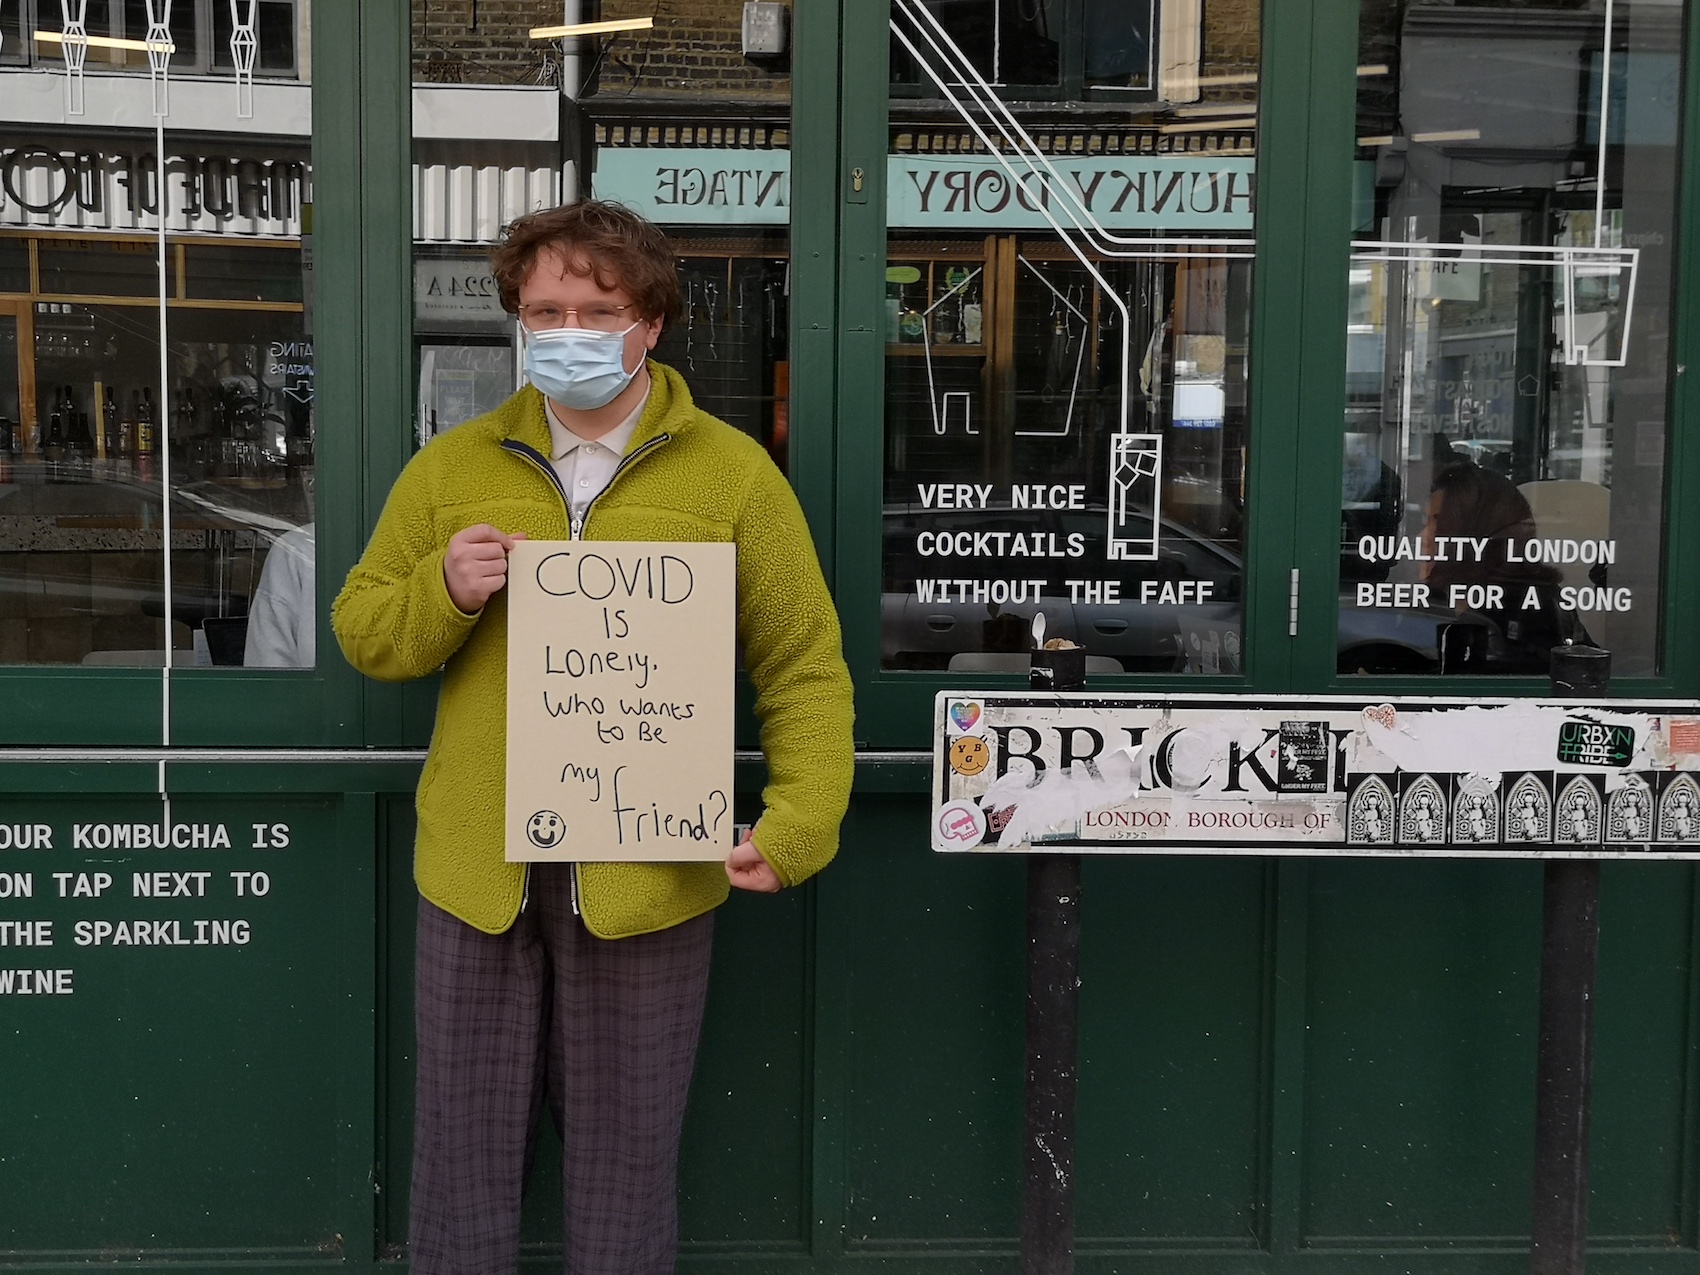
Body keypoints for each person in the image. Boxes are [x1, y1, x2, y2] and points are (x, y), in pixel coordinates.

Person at [330, 200, 855, 1274]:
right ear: (518, 321)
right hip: (478, 871)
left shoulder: (732, 476)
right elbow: (363, 630)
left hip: (649, 872)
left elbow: (802, 664)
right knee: (459, 1170)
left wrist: (799, 823)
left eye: (595, 309)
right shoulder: (452, 467)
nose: (567, 328)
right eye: (544, 309)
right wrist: (444, 589)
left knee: (627, 1170)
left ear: (650, 322)